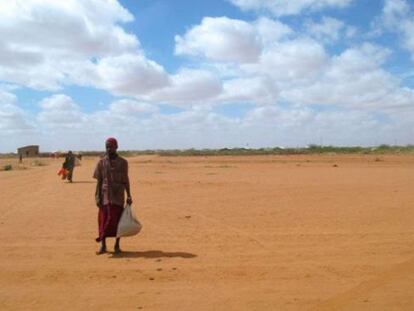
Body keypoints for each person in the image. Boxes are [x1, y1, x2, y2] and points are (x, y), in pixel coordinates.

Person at [93, 137, 132, 254]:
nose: (108, 149)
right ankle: (103, 245)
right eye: (107, 147)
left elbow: (126, 180)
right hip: (105, 196)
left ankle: (117, 246)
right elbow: (99, 182)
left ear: (116, 147)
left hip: (118, 196)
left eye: (111, 146)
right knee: (103, 221)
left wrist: (129, 195)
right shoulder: (101, 163)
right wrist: (97, 197)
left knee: (118, 222)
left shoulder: (123, 163)